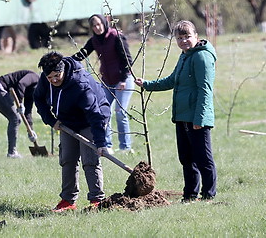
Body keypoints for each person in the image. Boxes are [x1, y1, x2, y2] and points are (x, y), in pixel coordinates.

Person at [135, 20, 217, 202]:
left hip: (197, 118)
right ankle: (189, 195)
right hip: (182, 116)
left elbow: (205, 89)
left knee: (203, 158)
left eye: (187, 36)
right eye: (179, 38)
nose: (184, 41)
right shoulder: (185, 55)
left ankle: (209, 195)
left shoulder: (201, 57)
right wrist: (147, 85)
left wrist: (200, 119)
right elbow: (172, 80)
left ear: (196, 36)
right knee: (187, 159)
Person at [34, 51, 111, 212]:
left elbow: (94, 114)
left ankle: (97, 200)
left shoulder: (80, 83)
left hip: (92, 119)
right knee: (67, 158)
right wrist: (51, 120)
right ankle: (68, 201)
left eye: (57, 76)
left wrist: (100, 142)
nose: (54, 80)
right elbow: (39, 98)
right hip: (67, 122)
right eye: (50, 78)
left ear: (63, 70)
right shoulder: (45, 79)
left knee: (90, 160)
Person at [72, 14, 134, 154]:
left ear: (105, 23)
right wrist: (66, 61)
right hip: (107, 80)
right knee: (103, 113)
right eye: (94, 26)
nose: (97, 28)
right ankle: (107, 145)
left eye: (99, 24)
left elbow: (127, 59)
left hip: (122, 80)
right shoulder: (94, 40)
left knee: (120, 112)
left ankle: (125, 147)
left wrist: (123, 79)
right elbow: (82, 54)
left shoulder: (116, 36)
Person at [0, 70, 39, 158]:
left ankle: (12, 152)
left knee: (14, 118)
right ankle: (12, 153)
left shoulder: (33, 91)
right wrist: (20, 102)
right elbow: (21, 84)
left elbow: (28, 110)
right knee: (15, 119)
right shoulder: (35, 77)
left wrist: (30, 130)